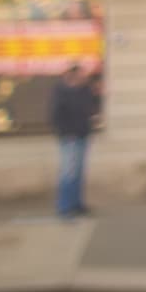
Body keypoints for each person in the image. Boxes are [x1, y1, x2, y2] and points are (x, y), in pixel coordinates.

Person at [48, 62, 101, 219]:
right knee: (68, 172)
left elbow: (91, 108)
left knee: (78, 172)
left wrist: (95, 93)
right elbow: (55, 116)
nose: (83, 78)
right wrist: (65, 132)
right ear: (72, 75)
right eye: (81, 75)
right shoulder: (61, 92)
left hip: (82, 135)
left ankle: (77, 204)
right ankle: (64, 207)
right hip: (69, 138)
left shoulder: (84, 91)